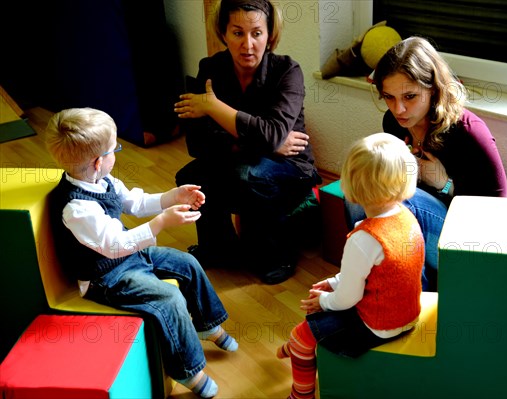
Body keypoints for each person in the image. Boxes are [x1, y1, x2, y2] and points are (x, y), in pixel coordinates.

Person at [45, 107, 238, 399]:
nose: (117, 153)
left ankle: (206, 324)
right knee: (168, 297)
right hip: (105, 278)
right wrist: (161, 223)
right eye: (115, 149)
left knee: (186, 262)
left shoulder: (104, 181)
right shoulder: (77, 207)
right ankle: (188, 370)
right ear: (98, 162)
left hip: (131, 256)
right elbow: (113, 246)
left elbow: (135, 203)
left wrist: (174, 196)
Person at [174, 0, 321, 285]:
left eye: (257, 33)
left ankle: (277, 255)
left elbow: (272, 134)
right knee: (191, 176)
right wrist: (266, 141)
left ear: (270, 35)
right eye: (237, 33)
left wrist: (214, 108)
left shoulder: (288, 71)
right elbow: (198, 142)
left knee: (251, 175)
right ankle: (219, 249)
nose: (248, 44)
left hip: (290, 165)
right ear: (224, 33)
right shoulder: (210, 69)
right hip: (243, 158)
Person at [346, 36, 507, 291]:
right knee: (359, 191)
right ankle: (372, 280)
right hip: (418, 233)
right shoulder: (393, 123)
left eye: (410, 96)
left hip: (466, 240)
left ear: (432, 89)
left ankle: (409, 293)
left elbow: (495, 211)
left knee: (395, 200)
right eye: (389, 97)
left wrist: (445, 186)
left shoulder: (468, 132)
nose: (398, 109)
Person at [277, 133, 424, 399]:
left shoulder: (364, 238)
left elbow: (348, 299)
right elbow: (381, 272)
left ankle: (301, 392)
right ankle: (303, 349)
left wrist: (325, 301)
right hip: (408, 314)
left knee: (301, 335)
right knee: (319, 311)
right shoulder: (407, 217)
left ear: (350, 184)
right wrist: (334, 283)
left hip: (376, 327)